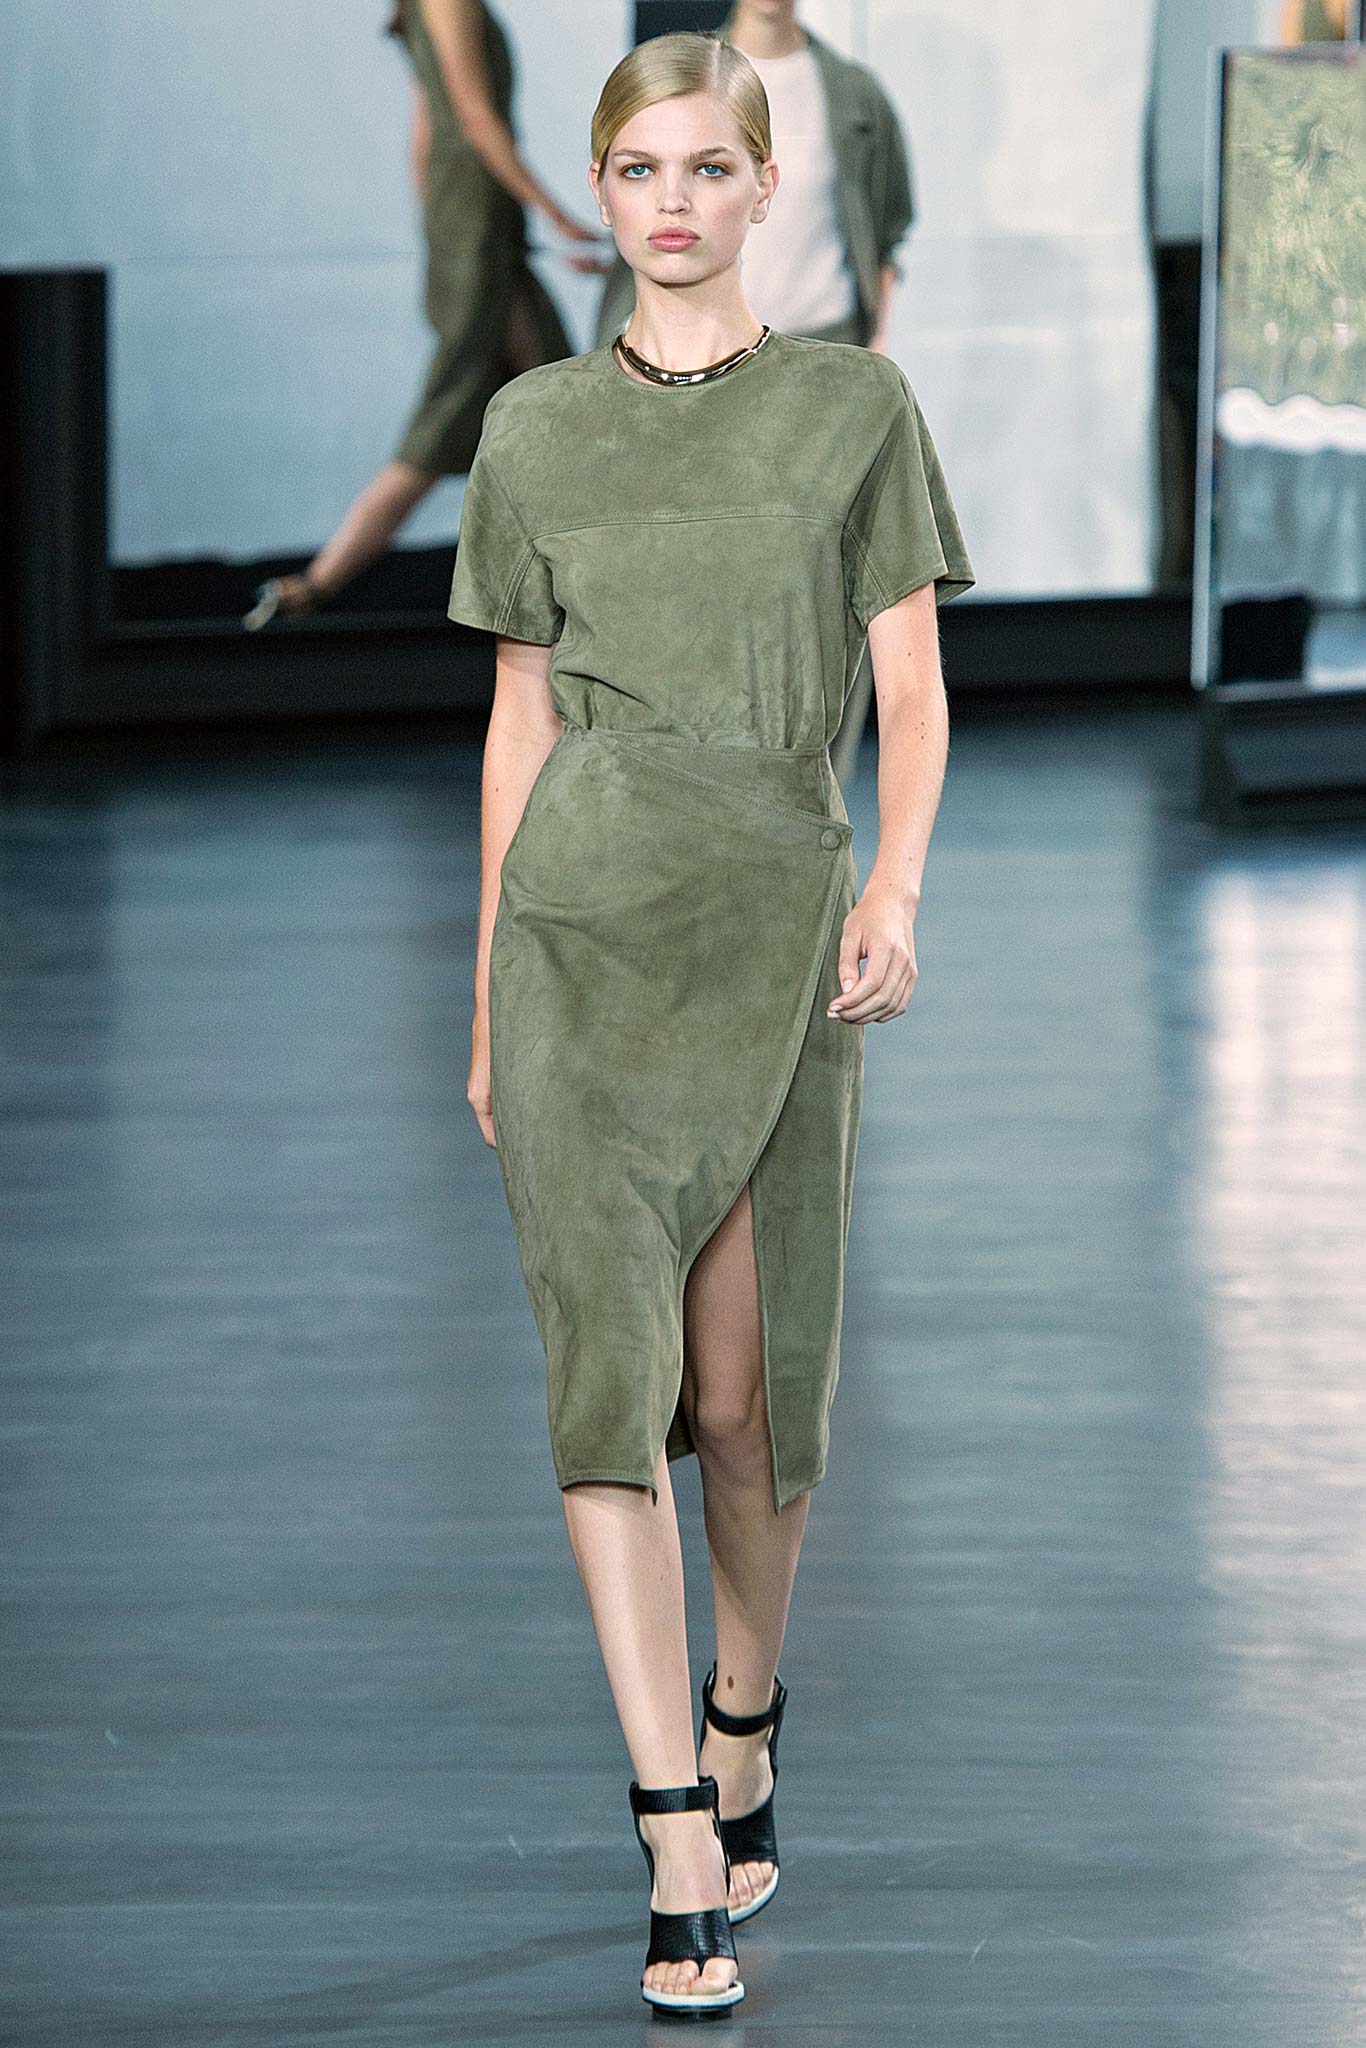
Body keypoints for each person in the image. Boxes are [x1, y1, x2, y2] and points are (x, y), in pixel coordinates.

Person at [447, 29, 973, 2019]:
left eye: (704, 168)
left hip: (775, 936)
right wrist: (486, 989)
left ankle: (744, 1700)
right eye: (635, 170)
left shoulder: (851, 409)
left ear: (764, 186)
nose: (669, 203)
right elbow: (515, 718)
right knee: (608, 1382)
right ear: (602, 191)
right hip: (574, 943)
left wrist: (892, 887)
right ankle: (669, 1817)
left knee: (744, 1407)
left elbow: (909, 691)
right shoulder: (531, 427)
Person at [592, 0, 918, 788]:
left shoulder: (853, 93)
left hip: (817, 359)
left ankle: (812, 806)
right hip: (683, 365)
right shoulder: (676, 78)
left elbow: (886, 232)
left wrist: (870, 354)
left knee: (831, 599)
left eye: (712, 168)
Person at [243, 0, 599, 630]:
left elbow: (425, 132)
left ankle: (587, 577)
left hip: (470, 217)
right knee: (457, 405)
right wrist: (555, 215)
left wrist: (447, 225)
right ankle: (315, 584)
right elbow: (475, 119)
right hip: (477, 220)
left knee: (551, 392)